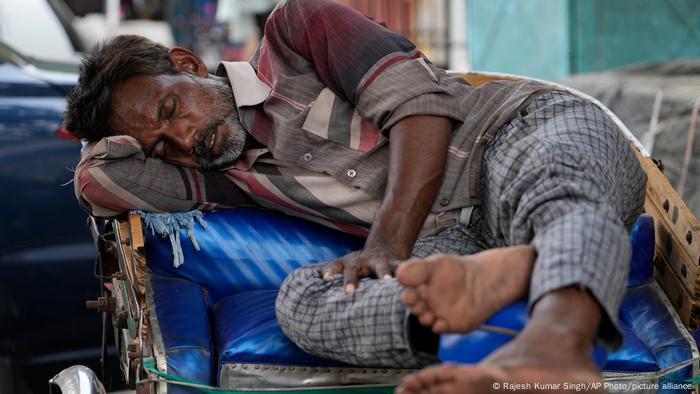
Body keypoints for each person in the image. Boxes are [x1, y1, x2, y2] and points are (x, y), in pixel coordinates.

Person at [64, 0, 646, 392]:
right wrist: (120, 130)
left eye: (172, 109)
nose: (185, 138)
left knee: (558, 190)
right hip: (451, 246)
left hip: (513, 134)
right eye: (163, 145)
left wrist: (388, 245)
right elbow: (96, 180)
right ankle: (495, 296)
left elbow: (420, 105)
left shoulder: (296, 32)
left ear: (188, 64)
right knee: (301, 300)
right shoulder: (223, 173)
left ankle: (554, 341)